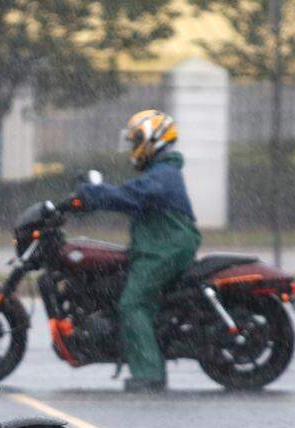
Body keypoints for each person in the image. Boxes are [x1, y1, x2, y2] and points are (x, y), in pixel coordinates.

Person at [75, 109, 201, 393]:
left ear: (152, 140)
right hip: (160, 246)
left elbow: (127, 196)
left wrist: (93, 192)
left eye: (136, 141)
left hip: (165, 249)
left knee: (134, 304)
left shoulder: (163, 174)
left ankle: (149, 373)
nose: (133, 148)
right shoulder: (161, 172)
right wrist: (97, 194)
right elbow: (129, 196)